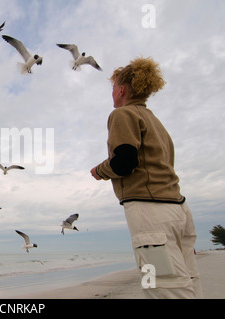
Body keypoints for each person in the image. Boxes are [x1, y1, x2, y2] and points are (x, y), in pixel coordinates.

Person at [90, 57, 203, 298]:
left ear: (121, 90)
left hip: (151, 213)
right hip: (179, 211)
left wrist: (100, 171)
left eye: (113, 88)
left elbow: (124, 162)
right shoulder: (155, 121)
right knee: (188, 280)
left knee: (163, 286)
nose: (112, 93)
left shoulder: (122, 114)